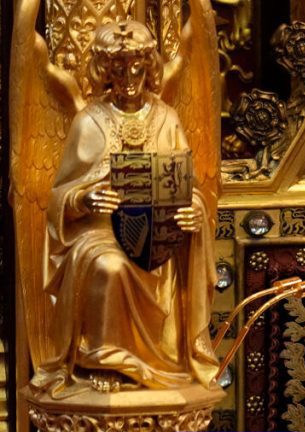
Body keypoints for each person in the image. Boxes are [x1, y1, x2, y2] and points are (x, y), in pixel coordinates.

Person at [33, 21, 219, 394]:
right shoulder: (89, 121)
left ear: (149, 67)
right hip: (99, 233)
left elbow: (189, 187)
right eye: (119, 69)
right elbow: (58, 196)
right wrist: (83, 199)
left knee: (155, 262)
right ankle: (106, 359)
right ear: (105, 71)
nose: (129, 78)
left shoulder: (166, 118)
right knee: (110, 266)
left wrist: (195, 210)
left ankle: (161, 361)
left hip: (157, 235)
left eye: (137, 67)